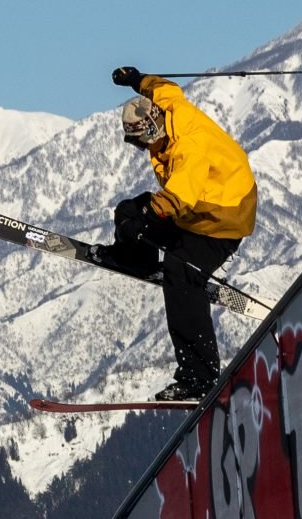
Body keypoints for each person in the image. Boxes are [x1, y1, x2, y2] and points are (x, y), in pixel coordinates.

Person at [105, 65, 256, 403]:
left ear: (152, 127)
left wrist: (145, 220)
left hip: (224, 217)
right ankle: (137, 260)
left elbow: (178, 198)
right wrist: (137, 80)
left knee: (181, 271)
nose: (142, 147)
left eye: (142, 140)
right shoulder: (168, 108)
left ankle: (199, 378)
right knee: (127, 213)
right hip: (200, 208)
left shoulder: (188, 146)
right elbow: (164, 88)